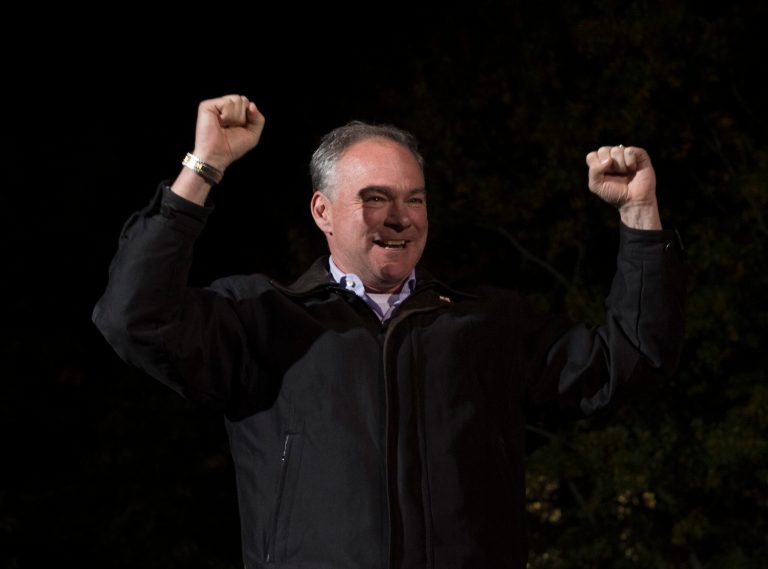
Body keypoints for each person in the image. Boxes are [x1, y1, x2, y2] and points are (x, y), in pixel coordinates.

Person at [92, 94, 686, 569]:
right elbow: (133, 318)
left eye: (414, 199)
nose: (399, 218)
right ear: (323, 212)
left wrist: (639, 218)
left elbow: (631, 360)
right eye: (374, 199)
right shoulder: (260, 318)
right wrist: (203, 169)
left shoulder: (482, 324)